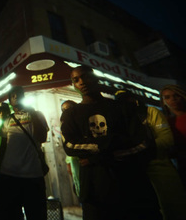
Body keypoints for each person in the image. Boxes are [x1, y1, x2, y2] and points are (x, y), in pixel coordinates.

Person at [60, 65, 162, 220]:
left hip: (132, 186)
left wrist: (97, 156)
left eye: (85, 76)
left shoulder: (122, 107)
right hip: (95, 190)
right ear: (73, 85)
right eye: (76, 79)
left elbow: (143, 142)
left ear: (95, 78)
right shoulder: (71, 115)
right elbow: (70, 145)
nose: (82, 82)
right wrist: (115, 140)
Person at [116, 89, 186, 220]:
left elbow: (167, 140)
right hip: (137, 173)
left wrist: (141, 149)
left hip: (160, 168)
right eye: (121, 101)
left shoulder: (150, 112)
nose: (127, 104)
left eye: (129, 99)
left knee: (174, 210)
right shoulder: (120, 118)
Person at [0, 86, 49, 220]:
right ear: (9, 101)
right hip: (9, 176)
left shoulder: (37, 115)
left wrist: (33, 113)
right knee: (11, 215)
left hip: (33, 175)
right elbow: (2, 148)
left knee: (36, 214)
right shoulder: (7, 121)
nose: (16, 97)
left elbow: (42, 137)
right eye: (12, 95)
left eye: (19, 94)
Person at [160, 84, 186, 189]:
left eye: (176, 95)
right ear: (164, 102)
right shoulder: (165, 122)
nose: (173, 99)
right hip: (182, 162)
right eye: (167, 97)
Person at [61, 100, 80, 198]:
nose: (65, 111)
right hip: (74, 164)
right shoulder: (65, 127)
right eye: (63, 110)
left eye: (68, 108)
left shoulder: (83, 122)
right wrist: (68, 164)